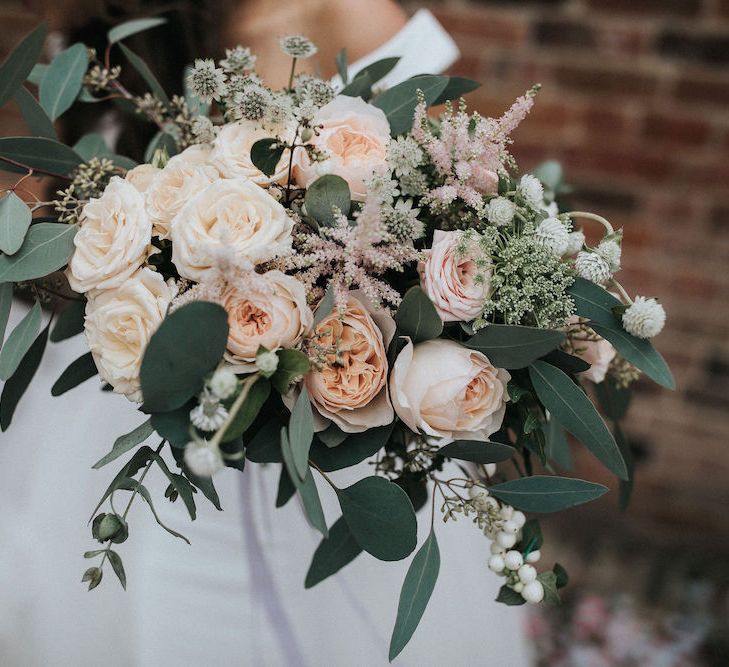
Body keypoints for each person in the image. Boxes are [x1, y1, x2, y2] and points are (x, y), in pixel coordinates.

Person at [0, 2, 531, 664]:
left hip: (314, 429)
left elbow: (449, 204)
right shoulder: (118, 20)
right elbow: (61, 207)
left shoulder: (348, 12)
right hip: (130, 404)